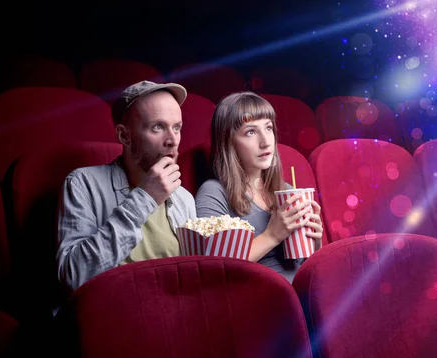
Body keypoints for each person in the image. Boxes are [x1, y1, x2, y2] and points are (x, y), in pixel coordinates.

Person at [56, 80, 196, 292]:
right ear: (124, 135)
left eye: (177, 127)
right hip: (112, 312)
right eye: (157, 127)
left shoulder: (184, 199)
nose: (172, 140)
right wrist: (145, 198)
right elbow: (73, 276)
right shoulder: (82, 183)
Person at [195, 91, 323, 283]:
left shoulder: (287, 190)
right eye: (251, 132)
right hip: (260, 297)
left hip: (303, 290)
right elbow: (213, 270)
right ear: (228, 142)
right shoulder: (214, 192)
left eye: (269, 128)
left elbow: (308, 265)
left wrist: (316, 241)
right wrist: (272, 235)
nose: (265, 142)